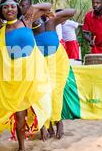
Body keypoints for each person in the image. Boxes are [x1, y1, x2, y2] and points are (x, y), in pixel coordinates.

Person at [0, 0, 52, 151]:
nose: (9, 10)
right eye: (5, 8)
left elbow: (48, 6)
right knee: (19, 115)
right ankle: (22, 147)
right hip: (14, 77)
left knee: (40, 102)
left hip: (32, 74)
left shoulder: (27, 20)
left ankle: (44, 127)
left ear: (17, 9)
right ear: (1, 11)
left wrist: (34, 6)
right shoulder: (0, 30)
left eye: (12, 7)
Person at [32, 8, 76, 139]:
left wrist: (54, 14)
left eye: (40, 16)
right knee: (41, 92)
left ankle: (58, 121)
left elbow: (72, 11)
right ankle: (44, 125)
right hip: (39, 60)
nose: (38, 20)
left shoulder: (51, 23)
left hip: (57, 59)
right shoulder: (27, 22)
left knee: (56, 91)